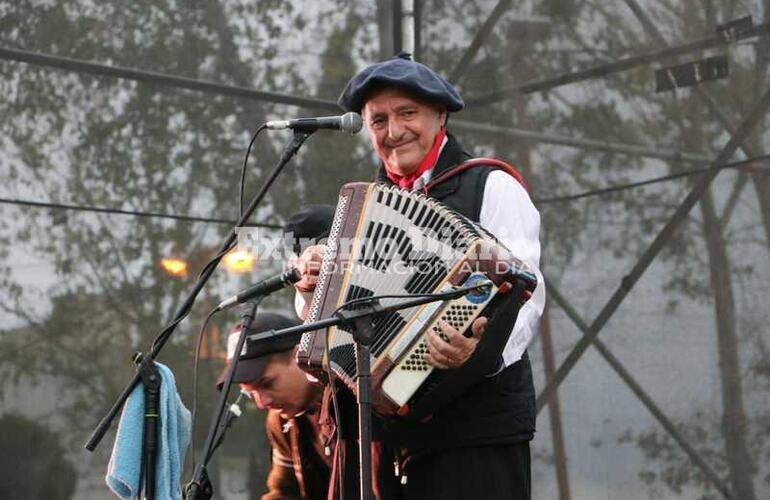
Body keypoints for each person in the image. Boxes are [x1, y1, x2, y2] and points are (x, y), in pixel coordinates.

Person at [293, 52, 545, 500]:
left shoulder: (491, 185)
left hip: (474, 436)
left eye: (407, 113)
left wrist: (476, 351)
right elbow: (335, 327)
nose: (393, 132)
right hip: (383, 441)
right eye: (378, 121)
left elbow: (526, 301)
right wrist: (312, 290)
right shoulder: (361, 210)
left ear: (440, 114)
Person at [217, 312, 330, 500]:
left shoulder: (363, 400)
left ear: (299, 356)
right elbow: (285, 493)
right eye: (251, 392)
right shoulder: (280, 422)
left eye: (267, 383)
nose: (262, 402)